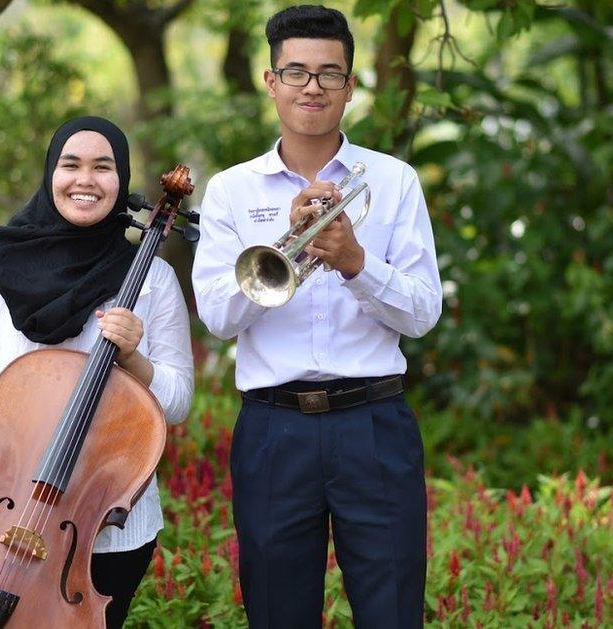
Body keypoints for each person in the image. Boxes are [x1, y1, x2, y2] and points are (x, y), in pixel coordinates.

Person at [192, 5, 442, 628]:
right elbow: (219, 318)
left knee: (392, 611)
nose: (313, 86)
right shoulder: (231, 190)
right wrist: (286, 242)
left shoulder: (394, 181)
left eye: (330, 74)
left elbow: (423, 313)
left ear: (351, 87)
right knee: (278, 613)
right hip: (275, 430)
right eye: (296, 72)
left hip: (375, 424)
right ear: (270, 81)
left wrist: (358, 262)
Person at [0, 116, 194, 628]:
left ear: (121, 181)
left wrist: (135, 360)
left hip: (104, 521)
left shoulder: (152, 279)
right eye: (70, 164)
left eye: (103, 167)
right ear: (49, 173)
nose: (85, 179)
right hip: (0, 507)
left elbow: (179, 400)